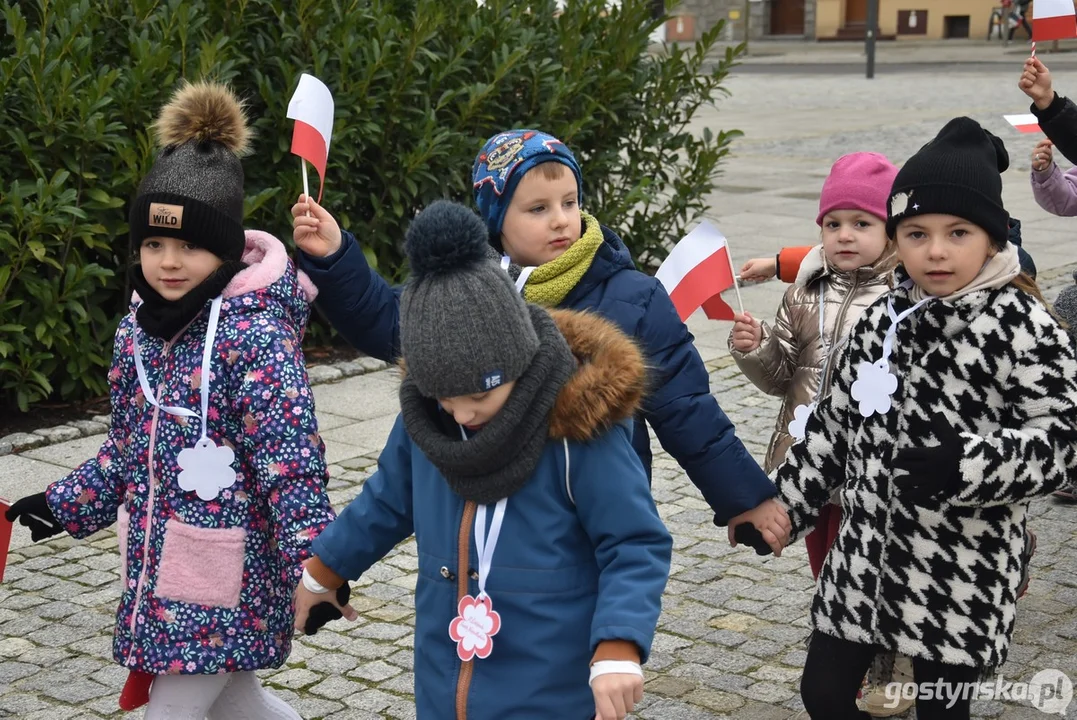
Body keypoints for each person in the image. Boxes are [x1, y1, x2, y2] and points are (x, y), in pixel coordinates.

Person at [5, 82, 339, 719]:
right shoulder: (139, 329)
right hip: (161, 565)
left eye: (190, 245)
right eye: (154, 244)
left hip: (229, 575)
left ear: (224, 249)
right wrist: (62, 505)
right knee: (242, 705)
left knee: (173, 712)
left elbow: (290, 461)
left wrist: (317, 566)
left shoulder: (255, 334)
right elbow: (128, 448)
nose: (169, 261)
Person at [291, 129, 790, 551]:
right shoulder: (464, 288)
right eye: (537, 208)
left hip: (586, 516)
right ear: (496, 221)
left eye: (569, 202)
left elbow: (688, 410)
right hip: (485, 509)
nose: (560, 219)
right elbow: (390, 326)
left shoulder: (634, 298)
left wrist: (744, 499)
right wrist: (336, 258)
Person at [293, 200, 673, 720]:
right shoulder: (427, 420)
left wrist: (618, 646)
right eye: (445, 398)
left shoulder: (578, 432)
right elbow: (385, 501)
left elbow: (634, 544)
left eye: (478, 396)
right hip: (446, 684)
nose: (462, 413)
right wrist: (322, 570)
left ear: (515, 362)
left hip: (550, 693)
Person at [755, 117, 1077, 719]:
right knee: (823, 695)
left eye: (958, 232)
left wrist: (971, 464)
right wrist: (782, 510)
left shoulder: (1022, 327)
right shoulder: (880, 320)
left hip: (962, 568)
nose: (935, 250)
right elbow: (832, 429)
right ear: (897, 237)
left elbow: (1061, 443)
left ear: (993, 238)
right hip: (864, 557)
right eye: (916, 233)